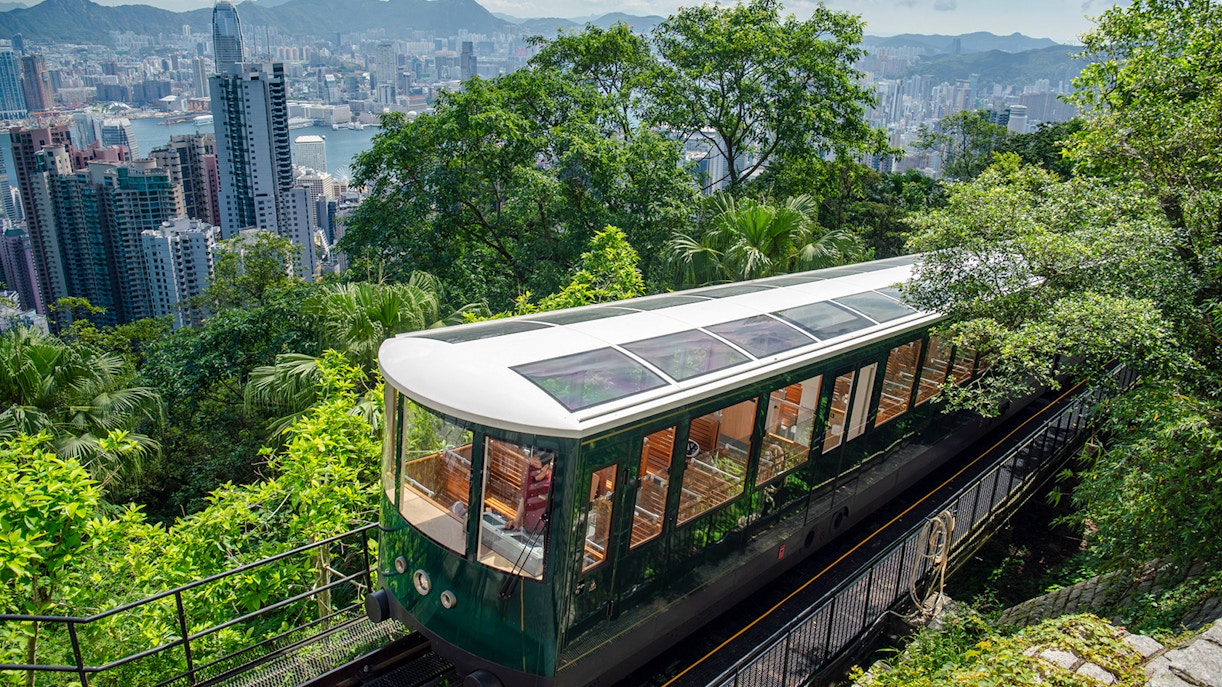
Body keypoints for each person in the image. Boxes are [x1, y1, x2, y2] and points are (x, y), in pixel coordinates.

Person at [506, 450, 553, 535]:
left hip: (541, 535)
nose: (531, 467)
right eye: (530, 463)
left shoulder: (551, 486)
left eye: (535, 463)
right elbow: (524, 498)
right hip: (526, 529)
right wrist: (516, 521)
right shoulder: (529, 478)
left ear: (545, 467)